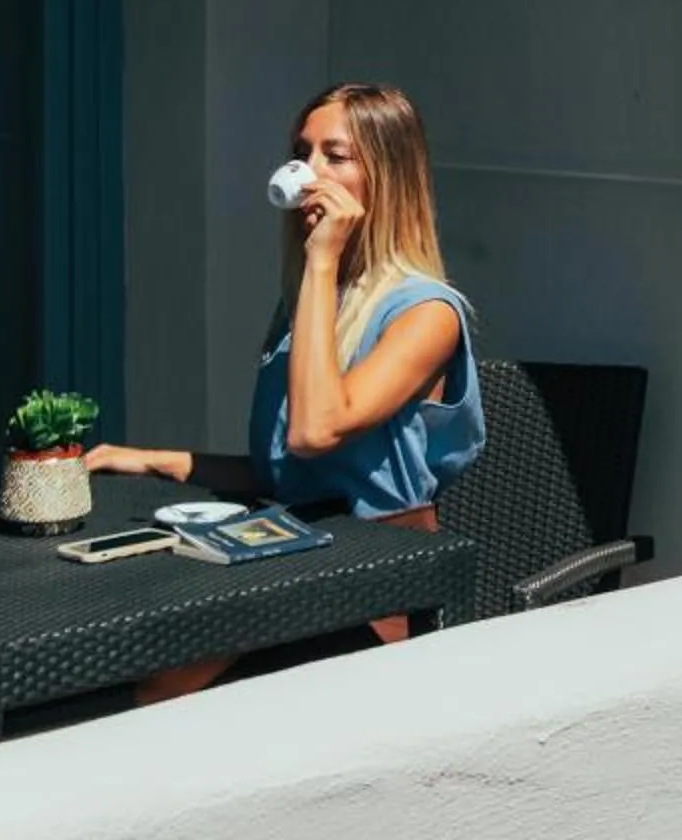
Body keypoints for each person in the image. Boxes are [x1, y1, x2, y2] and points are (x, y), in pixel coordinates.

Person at [86, 82, 484, 697]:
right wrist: (159, 460)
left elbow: (315, 431)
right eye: (303, 152)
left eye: (336, 155)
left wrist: (321, 262)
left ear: (387, 176)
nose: (307, 172)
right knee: (124, 635)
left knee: (159, 680)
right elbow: (290, 473)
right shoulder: (314, 299)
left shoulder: (425, 312)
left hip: (371, 580)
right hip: (294, 550)